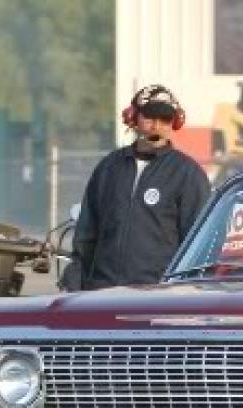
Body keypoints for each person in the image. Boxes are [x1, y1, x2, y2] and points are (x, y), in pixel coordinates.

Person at [67, 84, 211, 291]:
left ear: (175, 123)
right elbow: (87, 231)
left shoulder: (188, 174)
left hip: (157, 294)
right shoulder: (109, 167)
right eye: (149, 117)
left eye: (165, 119)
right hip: (103, 290)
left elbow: (199, 244)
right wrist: (76, 275)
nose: (156, 126)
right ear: (133, 118)